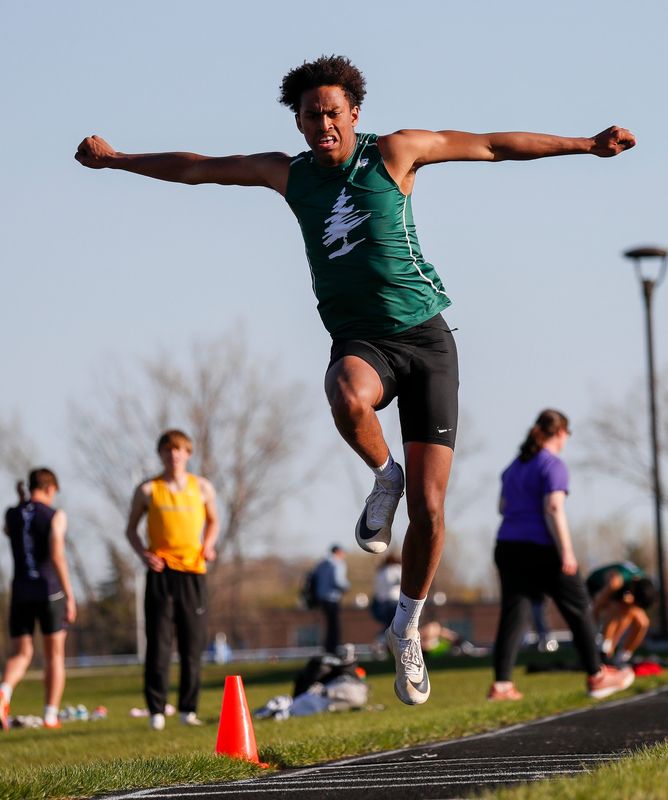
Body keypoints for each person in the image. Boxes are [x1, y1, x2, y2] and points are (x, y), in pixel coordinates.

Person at [75, 55, 636, 705]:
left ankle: (407, 627)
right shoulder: (286, 174)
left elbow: (490, 145)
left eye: (333, 114)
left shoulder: (396, 153)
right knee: (344, 390)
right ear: (300, 120)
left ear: (354, 114)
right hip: (363, 341)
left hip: (426, 339)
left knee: (431, 511)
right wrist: (117, 161)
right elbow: (197, 169)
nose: (322, 125)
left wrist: (586, 145)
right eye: (311, 115)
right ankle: (383, 475)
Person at [489, 409, 635, 701]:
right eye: (568, 433)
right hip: (541, 548)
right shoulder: (553, 465)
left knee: (514, 613)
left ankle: (502, 685)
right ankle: (597, 675)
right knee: (578, 607)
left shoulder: (514, 466)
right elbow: (553, 507)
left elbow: (503, 508)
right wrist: (567, 551)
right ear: (560, 433)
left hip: (507, 546)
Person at [126, 429, 219, 730]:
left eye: (179, 450)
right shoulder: (148, 490)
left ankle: (187, 711)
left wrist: (208, 544)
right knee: (159, 643)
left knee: (192, 645)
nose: (173, 455)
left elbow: (214, 520)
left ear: (188, 453)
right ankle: (156, 711)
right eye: (167, 450)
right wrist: (143, 554)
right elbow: (130, 530)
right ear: (161, 454)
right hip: (160, 573)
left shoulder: (202, 487)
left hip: (193, 573)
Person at [0, 469, 77, 730]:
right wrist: (69, 594)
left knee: (21, 653)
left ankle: (4, 692)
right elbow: (56, 555)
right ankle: (50, 715)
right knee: (54, 655)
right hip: (49, 591)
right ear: (50, 488)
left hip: (20, 592)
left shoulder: (11, 513)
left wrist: (23, 504)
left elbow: (11, 531)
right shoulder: (55, 516)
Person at [586, 561, 656, 664]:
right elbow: (596, 608)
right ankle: (604, 651)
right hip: (594, 589)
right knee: (620, 609)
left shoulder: (641, 584)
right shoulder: (615, 582)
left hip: (619, 596)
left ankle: (622, 657)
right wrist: (594, 635)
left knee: (643, 622)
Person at [313, 544, 350, 654]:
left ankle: (328, 647)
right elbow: (338, 581)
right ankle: (333, 648)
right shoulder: (337, 563)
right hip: (332, 598)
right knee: (334, 625)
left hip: (321, 598)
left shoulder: (321, 563)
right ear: (338, 552)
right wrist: (347, 587)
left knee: (329, 624)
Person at [370, 552, 402, 631]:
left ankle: (385, 640)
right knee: (397, 627)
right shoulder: (397, 569)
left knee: (387, 626)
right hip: (395, 602)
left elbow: (377, 589)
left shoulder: (381, 572)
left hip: (382, 603)